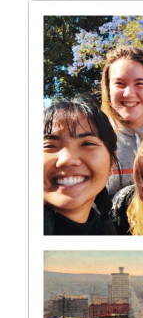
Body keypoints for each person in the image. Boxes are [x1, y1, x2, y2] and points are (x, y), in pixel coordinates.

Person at [101, 45, 143, 196]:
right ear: (108, 90)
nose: (129, 93)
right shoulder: (96, 139)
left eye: (139, 83)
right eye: (119, 83)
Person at [43, 97, 118, 235]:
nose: (67, 160)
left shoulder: (106, 231)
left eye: (87, 144)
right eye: (49, 146)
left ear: (112, 162)